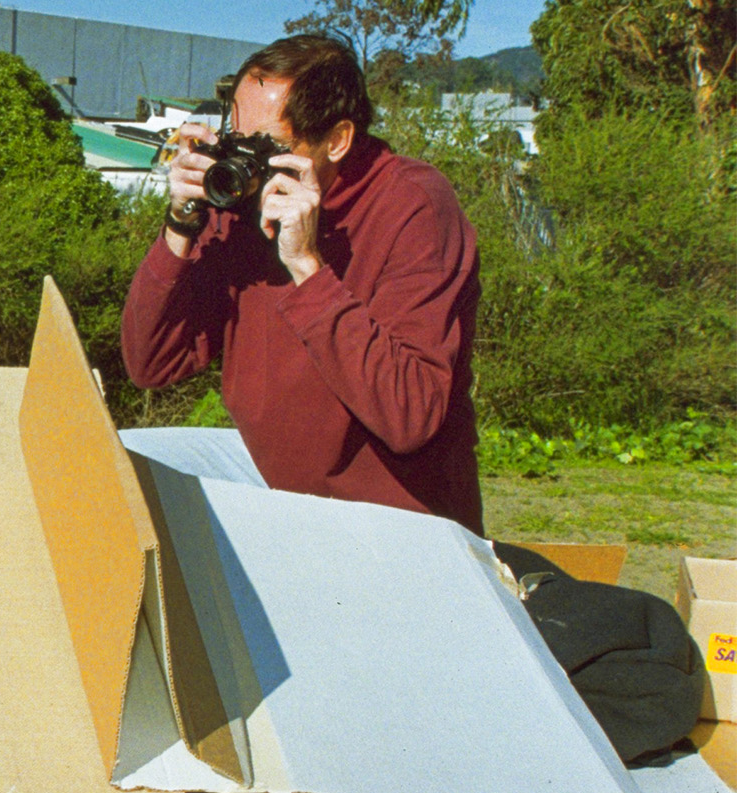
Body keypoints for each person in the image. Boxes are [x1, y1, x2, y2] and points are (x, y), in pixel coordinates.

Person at [121, 33, 485, 535]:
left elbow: (410, 416)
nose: (245, 164)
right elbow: (151, 362)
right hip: (283, 486)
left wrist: (307, 268)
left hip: (397, 520)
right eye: (237, 139)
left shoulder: (414, 205)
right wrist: (181, 225)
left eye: (267, 146)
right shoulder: (243, 206)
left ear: (337, 140)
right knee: (121, 458)